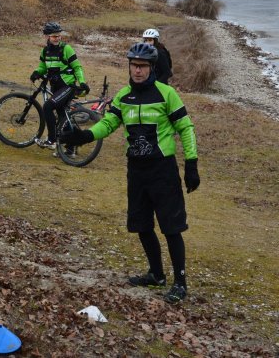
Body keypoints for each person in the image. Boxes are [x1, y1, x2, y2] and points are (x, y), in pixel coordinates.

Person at [60, 42, 199, 304]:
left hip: (162, 170)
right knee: (142, 225)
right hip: (136, 169)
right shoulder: (124, 95)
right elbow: (110, 123)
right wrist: (84, 136)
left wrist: (191, 163)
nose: (137, 71)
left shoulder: (166, 94)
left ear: (152, 68)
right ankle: (156, 275)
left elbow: (186, 128)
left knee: (171, 227)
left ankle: (180, 282)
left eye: (143, 66)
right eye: (134, 65)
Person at [29, 22, 89, 150]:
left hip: (67, 86)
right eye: (54, 36)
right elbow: (43, 67)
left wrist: (82, 82)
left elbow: (77, 67)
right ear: (47, 37)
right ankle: (70, 148)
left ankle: (51, 141)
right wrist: (37, 72)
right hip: (55, 87)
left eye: (58, 35)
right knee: (63, 116)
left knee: (47, 107)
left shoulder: (66, 49)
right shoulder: (45, 51)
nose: (57, 38)